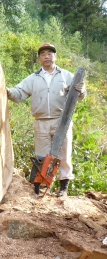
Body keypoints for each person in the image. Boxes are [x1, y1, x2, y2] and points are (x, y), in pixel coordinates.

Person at [6, 43, 86, 197]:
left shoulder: (66, 75)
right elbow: (19, 93)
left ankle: (63, 188)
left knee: (64, 155)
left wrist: (82, 91)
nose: (47, 56)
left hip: (61, 121)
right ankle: (40, 186)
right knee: (41, 155)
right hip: (41, 121)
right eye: (43, 54)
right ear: (39, 58)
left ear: (55, 56)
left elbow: (79, 96)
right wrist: (7, 91)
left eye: (50, 53)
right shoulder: (33, 78)